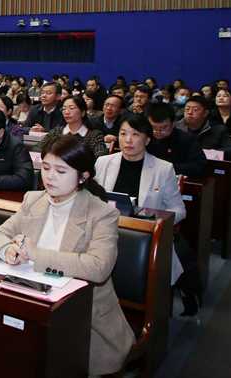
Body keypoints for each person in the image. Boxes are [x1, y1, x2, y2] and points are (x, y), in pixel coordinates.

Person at [0, 134, 134, 376]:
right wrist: (7, 249)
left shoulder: (101, 213)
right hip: (33, 302)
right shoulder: (33, 200)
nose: (50, 177)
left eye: (61, 171)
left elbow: (99, 267)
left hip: (83, 322)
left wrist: (37, 255)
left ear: (83, 177)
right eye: (46, 168)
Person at [94, 114, 201, 314]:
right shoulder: (103, 162)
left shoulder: (163, 169)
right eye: (123, 134)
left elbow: (179, 210)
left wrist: (152, 220)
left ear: (148, 139)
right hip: (104, 231)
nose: (128, 140)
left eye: (135, 134)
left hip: (143, 235)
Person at [146, 103, 209, 178]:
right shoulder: (143, 138)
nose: (158, 132)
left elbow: (201, 168)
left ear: (173, 123)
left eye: (164, 128)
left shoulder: (187, 140)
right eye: (153, 128)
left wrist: (169, 167)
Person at [33, 95, 107, 156]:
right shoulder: (57, 131)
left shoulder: (94, 135)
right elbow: (37, 149)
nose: (67, 112)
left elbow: (100, 155)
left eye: (71, 108)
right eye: (64, 109)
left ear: (83, 112)